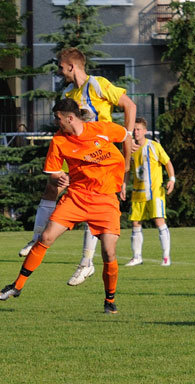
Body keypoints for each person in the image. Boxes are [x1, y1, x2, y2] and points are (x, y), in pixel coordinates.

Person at [0, 98, 129, 314]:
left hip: (105, 199)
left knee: (108, 252)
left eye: (58, 119)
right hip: (77, 197)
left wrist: (125, 174)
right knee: (46, 237)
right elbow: (52, 172)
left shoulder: (102, 129)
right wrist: (59, 178)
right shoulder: (59, 141)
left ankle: (109, 300)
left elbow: (127, 137)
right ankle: (16, 286)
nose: (57, 123)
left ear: (70, 118)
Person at [19, 47, 136, 287]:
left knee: (91, 201)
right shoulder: (71, 93)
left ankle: (86, 262)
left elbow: (129, 105)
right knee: (53, 184)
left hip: (98, 150)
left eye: (61, 67)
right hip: (75, 146)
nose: (59, 72)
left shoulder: (97, 84)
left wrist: (129, 136)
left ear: (71, 66)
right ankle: (36, 238)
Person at [120, 117, 175, 267]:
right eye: (134, 129)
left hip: (155, 192)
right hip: (138, 193)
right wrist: (123, 185)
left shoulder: (154, 146)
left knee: (159, 221)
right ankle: (137, 257)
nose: (136, 132)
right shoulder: (130, 150)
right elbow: (126, 170)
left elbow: (167, 162)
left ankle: (165, 257)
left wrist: (172, 179)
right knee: (136, 223)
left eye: (138, 129)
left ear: (145, 131)